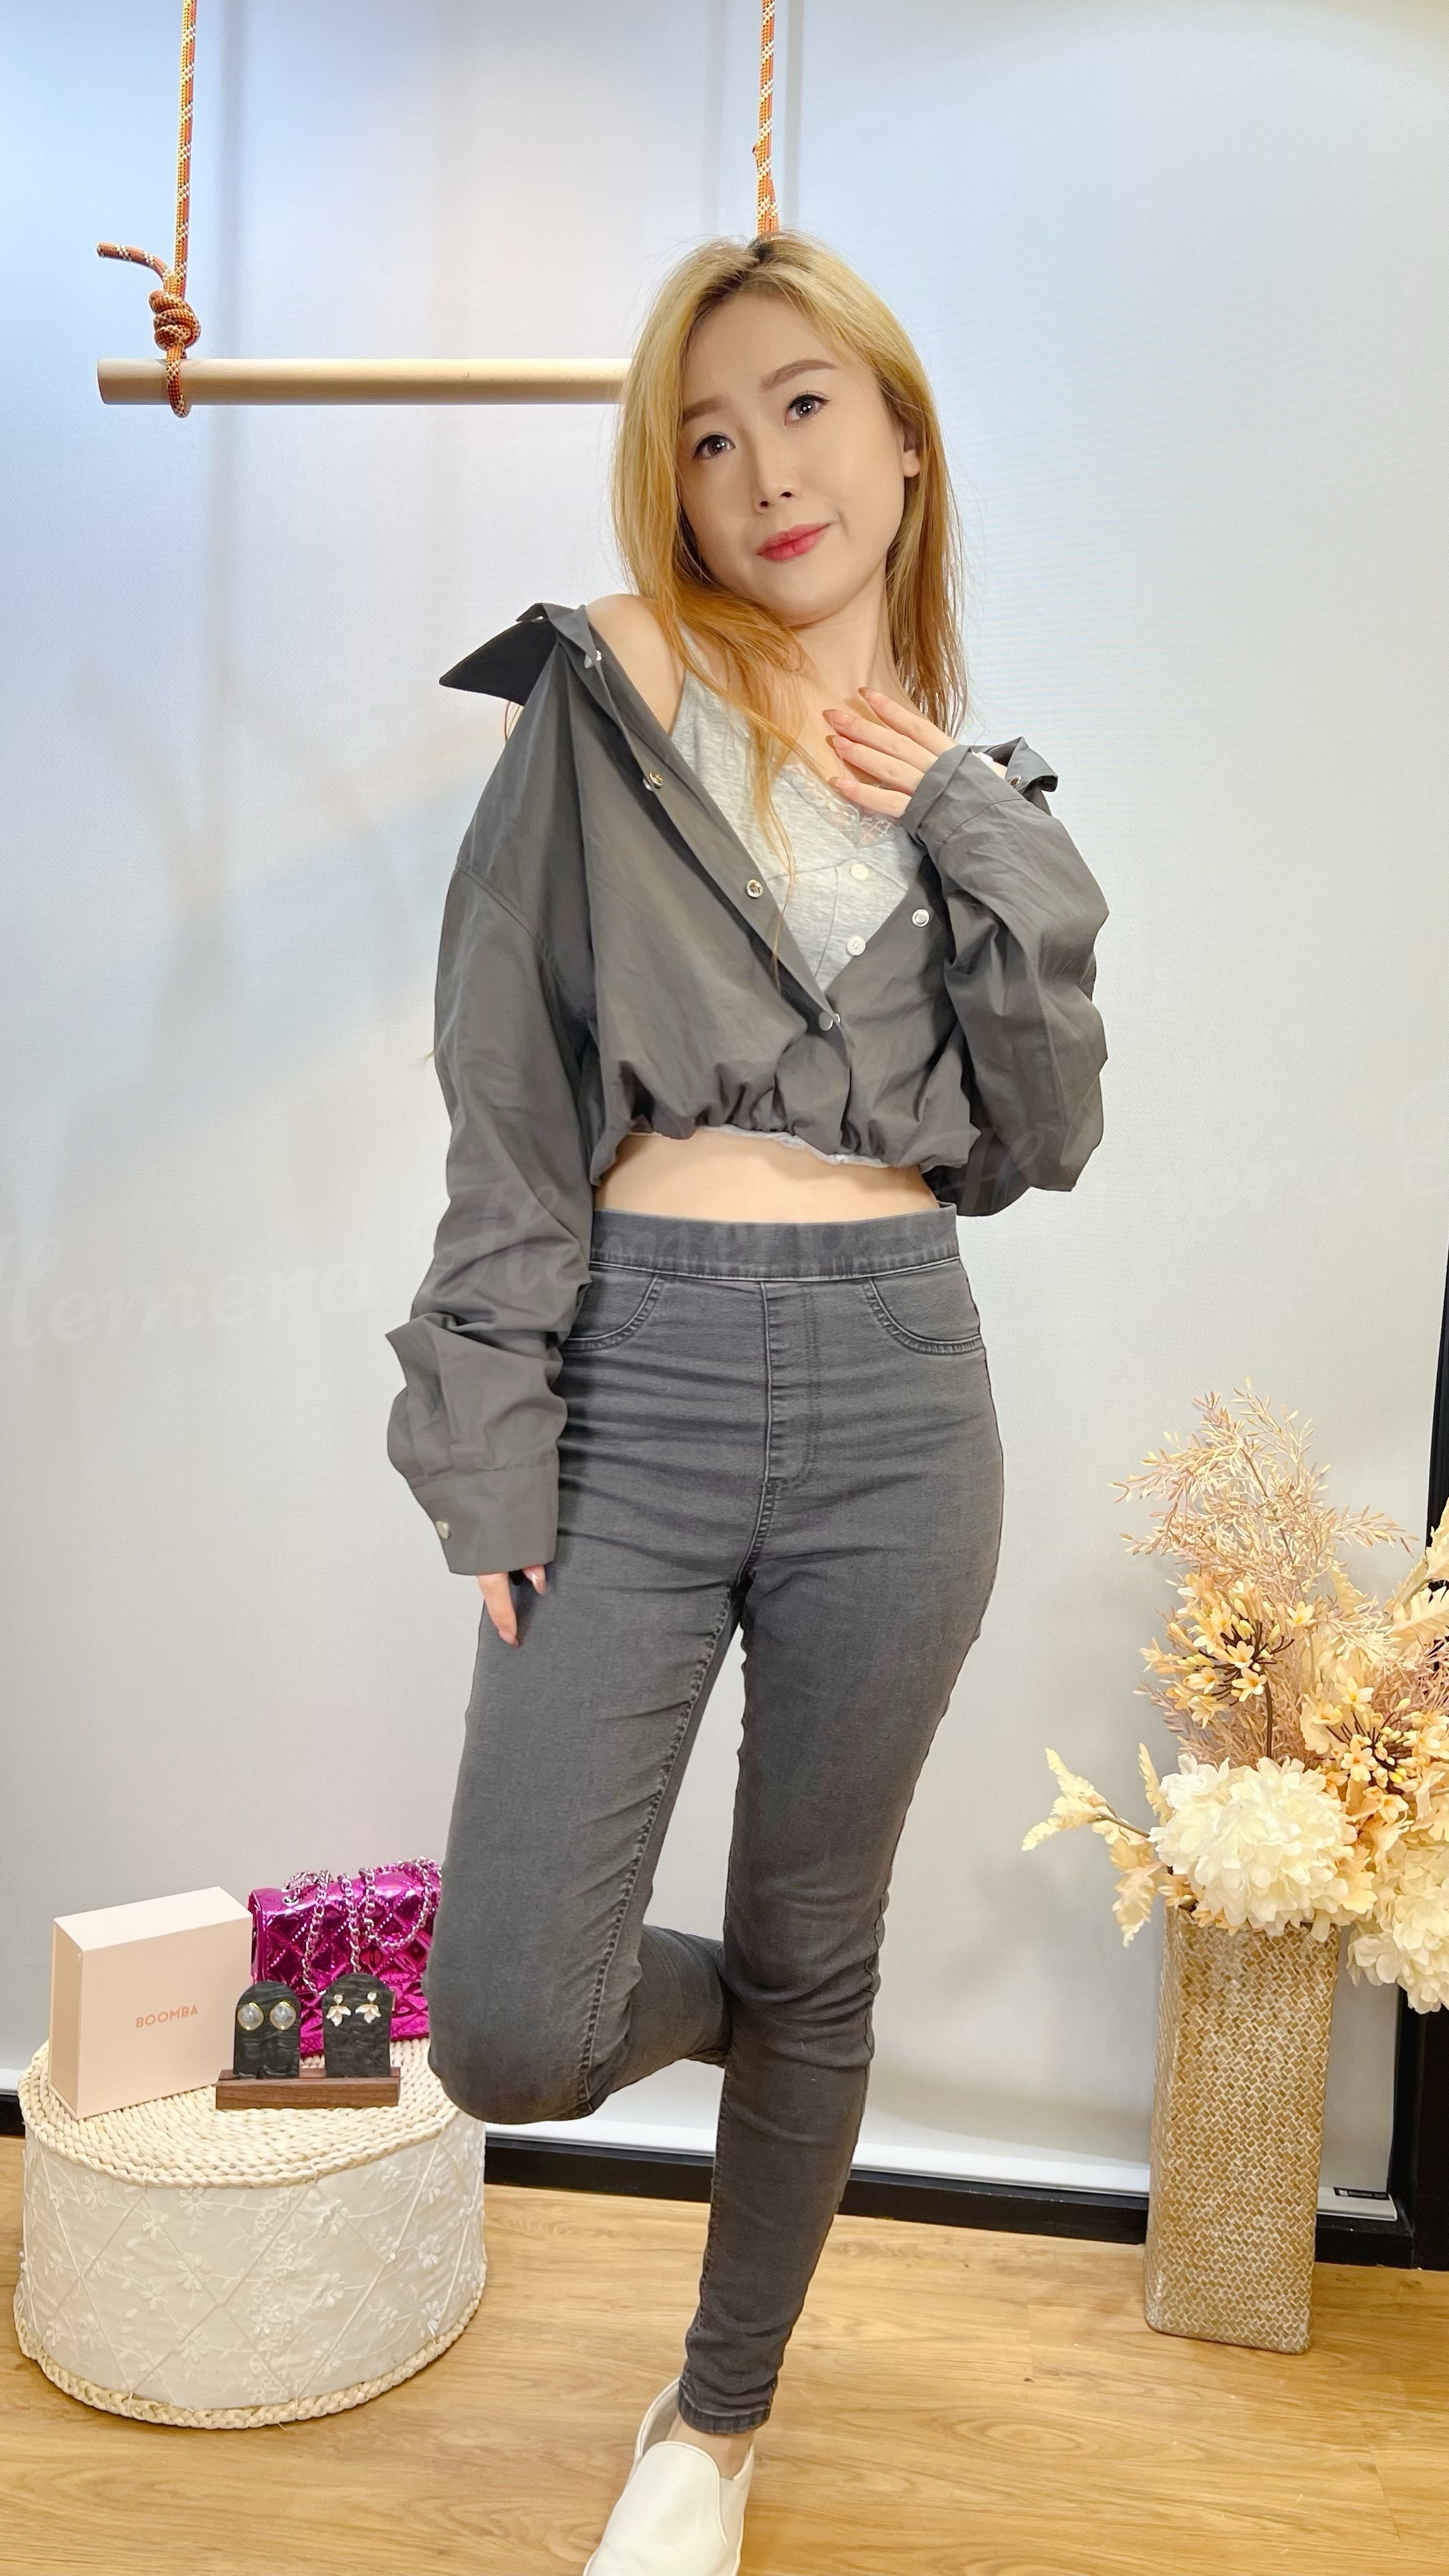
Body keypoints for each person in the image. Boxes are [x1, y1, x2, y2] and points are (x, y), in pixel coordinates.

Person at [387, 230, 1108, 2576]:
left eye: (803, 406)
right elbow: (504, 1105)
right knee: (509, 2024)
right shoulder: (594, 705)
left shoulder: (972, 796)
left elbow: (1034, 1143)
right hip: (636, 1377)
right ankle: (772, 2013)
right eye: (705, 438)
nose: (761, 470)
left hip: (902, 1396)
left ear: (899, 439)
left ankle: (708, 2433)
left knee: (825, 1927)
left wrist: (981, 834)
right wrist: (490, 1430)